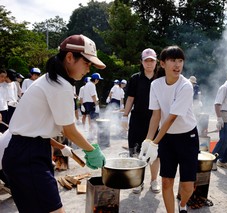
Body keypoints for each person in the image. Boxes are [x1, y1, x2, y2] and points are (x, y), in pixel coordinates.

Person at [2, 34, 106, 213]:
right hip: (28, 156)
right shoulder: (60, 85)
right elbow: (69, 130)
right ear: (69, 57)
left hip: (23, 151)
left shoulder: (51, 79)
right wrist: (91, 150)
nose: (88, 70)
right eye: (87, 63)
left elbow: (39, 128)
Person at [140, 46, 199, 213]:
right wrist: (148, 141)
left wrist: (154, 142)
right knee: (166, 182)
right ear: (163, 63)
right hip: (167, 139)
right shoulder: (156, 85)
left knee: (188, 186)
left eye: (180, 61)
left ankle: (182, 205)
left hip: (188, 137)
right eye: (173, 60)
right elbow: (156, 116)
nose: (177, 65)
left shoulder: (186, 86)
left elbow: (172, 118)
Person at [121, 48, 160, 194]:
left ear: (156, 62)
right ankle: (138, 181)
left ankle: (154, 180)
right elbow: (130, 98)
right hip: (137, 119)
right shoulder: (135, 78)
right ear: (141, 62)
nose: (149, 64)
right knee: (136, 151)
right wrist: (125, 116)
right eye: (146, 61)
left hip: (156, 120)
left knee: (155, 152)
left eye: (152, 61)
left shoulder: (161, 78)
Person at [82, 73, 103, 140]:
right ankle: (92, 135)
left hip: (88, 103)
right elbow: (93, 95)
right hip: (92, 103)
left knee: (91, 119)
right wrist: (96, 105)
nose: (98, 81)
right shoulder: (92, 85)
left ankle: (92, 134)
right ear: (96, 79)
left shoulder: (87, 84)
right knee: (94, 120)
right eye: (98, 80)